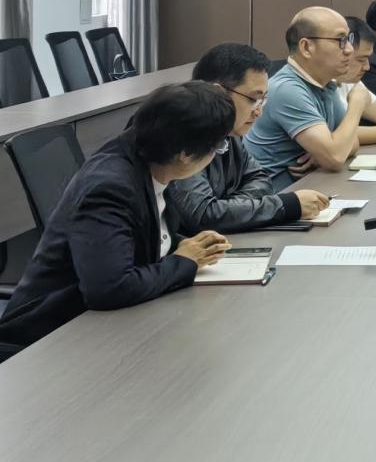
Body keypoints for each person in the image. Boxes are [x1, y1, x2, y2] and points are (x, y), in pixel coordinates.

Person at [0, 83, 235, 359]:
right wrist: (184, 261)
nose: (218, 153)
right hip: (48, 341)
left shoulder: (151, 159)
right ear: (184, 153)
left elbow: (143, 236)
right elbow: (110, 289)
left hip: (105, 326)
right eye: (218, 146)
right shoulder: (110, 187)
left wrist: (188, 247)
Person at [168, 43, 330, 232]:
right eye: (253, 99)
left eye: (263, 100)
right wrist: (287, 205)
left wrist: (230, 208)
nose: (258, 112)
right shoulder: (182, 135)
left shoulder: (231, 132)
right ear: (219, 93)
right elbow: (203, 215)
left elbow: (261, 179)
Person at [244, 7, 370, 192]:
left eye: (348, 40)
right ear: (306, 47)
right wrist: (357, 104)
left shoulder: (324, 83)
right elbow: (336, 157)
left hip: (308, 189)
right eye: (340, 41)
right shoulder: (287, 89)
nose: (349, 50)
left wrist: (326, 152)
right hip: (275, 199)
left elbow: (351, 142)